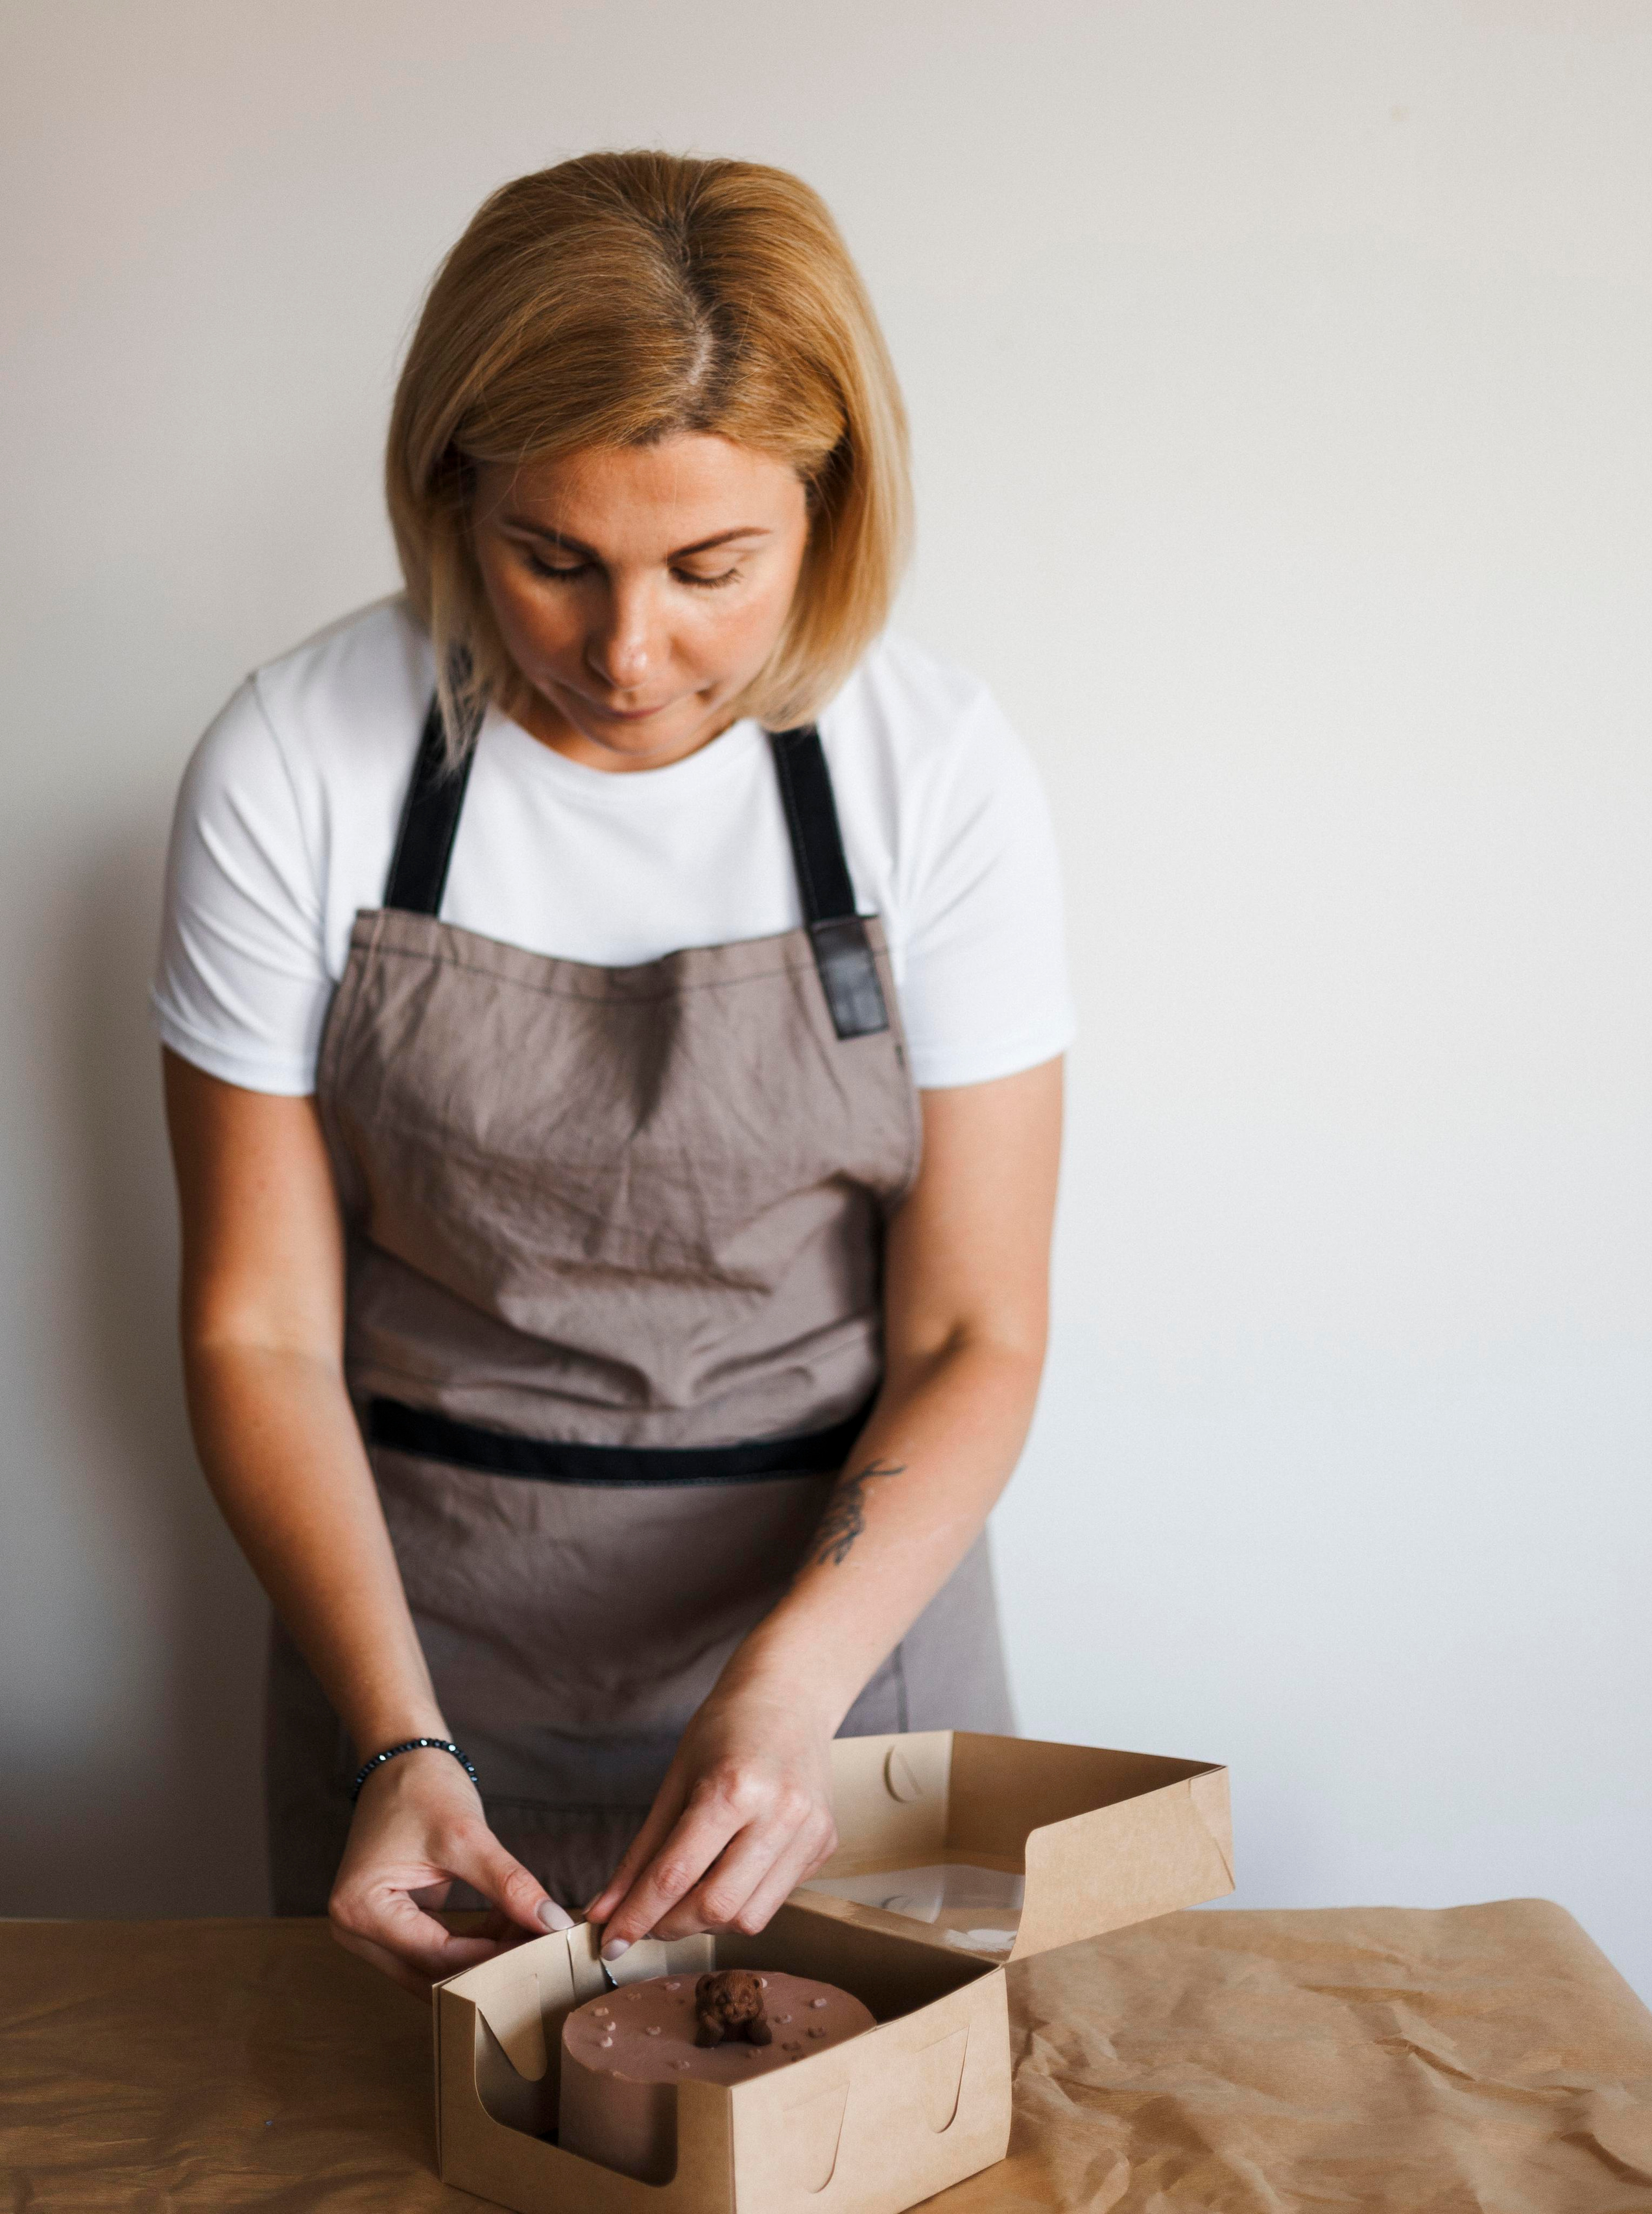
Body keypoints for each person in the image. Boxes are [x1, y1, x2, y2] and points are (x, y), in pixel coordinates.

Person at [155, 150, 1071, 1995]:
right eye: (550, 557)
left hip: (842, 1662)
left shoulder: (936, 772)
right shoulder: (297, 762)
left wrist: (788, 1695)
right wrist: (402, 1745)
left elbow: (978, 1333)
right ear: (451, 494)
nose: (628, 652)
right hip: (419, 1662)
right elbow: (257, 1329)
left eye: (711, 568)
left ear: (828, 515)